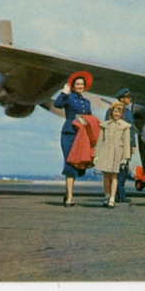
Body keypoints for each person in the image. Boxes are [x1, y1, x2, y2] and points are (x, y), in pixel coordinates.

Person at [53, 71, 93, 207]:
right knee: (70, 162)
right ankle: (70, 196)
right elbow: (57, 104)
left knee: (78, 164)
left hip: (82, 135)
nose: (80, 86)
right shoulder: (68, 98)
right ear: (73, 86)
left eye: (82, 84)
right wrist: (64, 92)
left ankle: (67, 193)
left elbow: (90, 118)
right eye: (77, 84)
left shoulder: (87, 102)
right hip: (69, 133)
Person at [95, 101, 132, 208]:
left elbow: (126, 142)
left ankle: (112, 198)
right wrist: (96, 154)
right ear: (111, 112)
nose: (117, 114)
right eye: (115, 111)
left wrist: (126, 157)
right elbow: (100, 141)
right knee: (106, 175)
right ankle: (106, 197)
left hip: (117, 153)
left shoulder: (125, 126)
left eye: (119, 112)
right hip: (106, 151)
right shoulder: (105, 125)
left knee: (115, 175)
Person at [105, 88, 136, 203]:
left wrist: (133, 144)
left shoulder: (128, 113)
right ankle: (115, 195)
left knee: (123, 169)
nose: (130, 99)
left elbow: (131, 129)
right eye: (128, 97)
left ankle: (120, 195)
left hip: (126, 145)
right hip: (115, 145)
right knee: (114, 169)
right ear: (122, 98)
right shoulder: (111, 111)